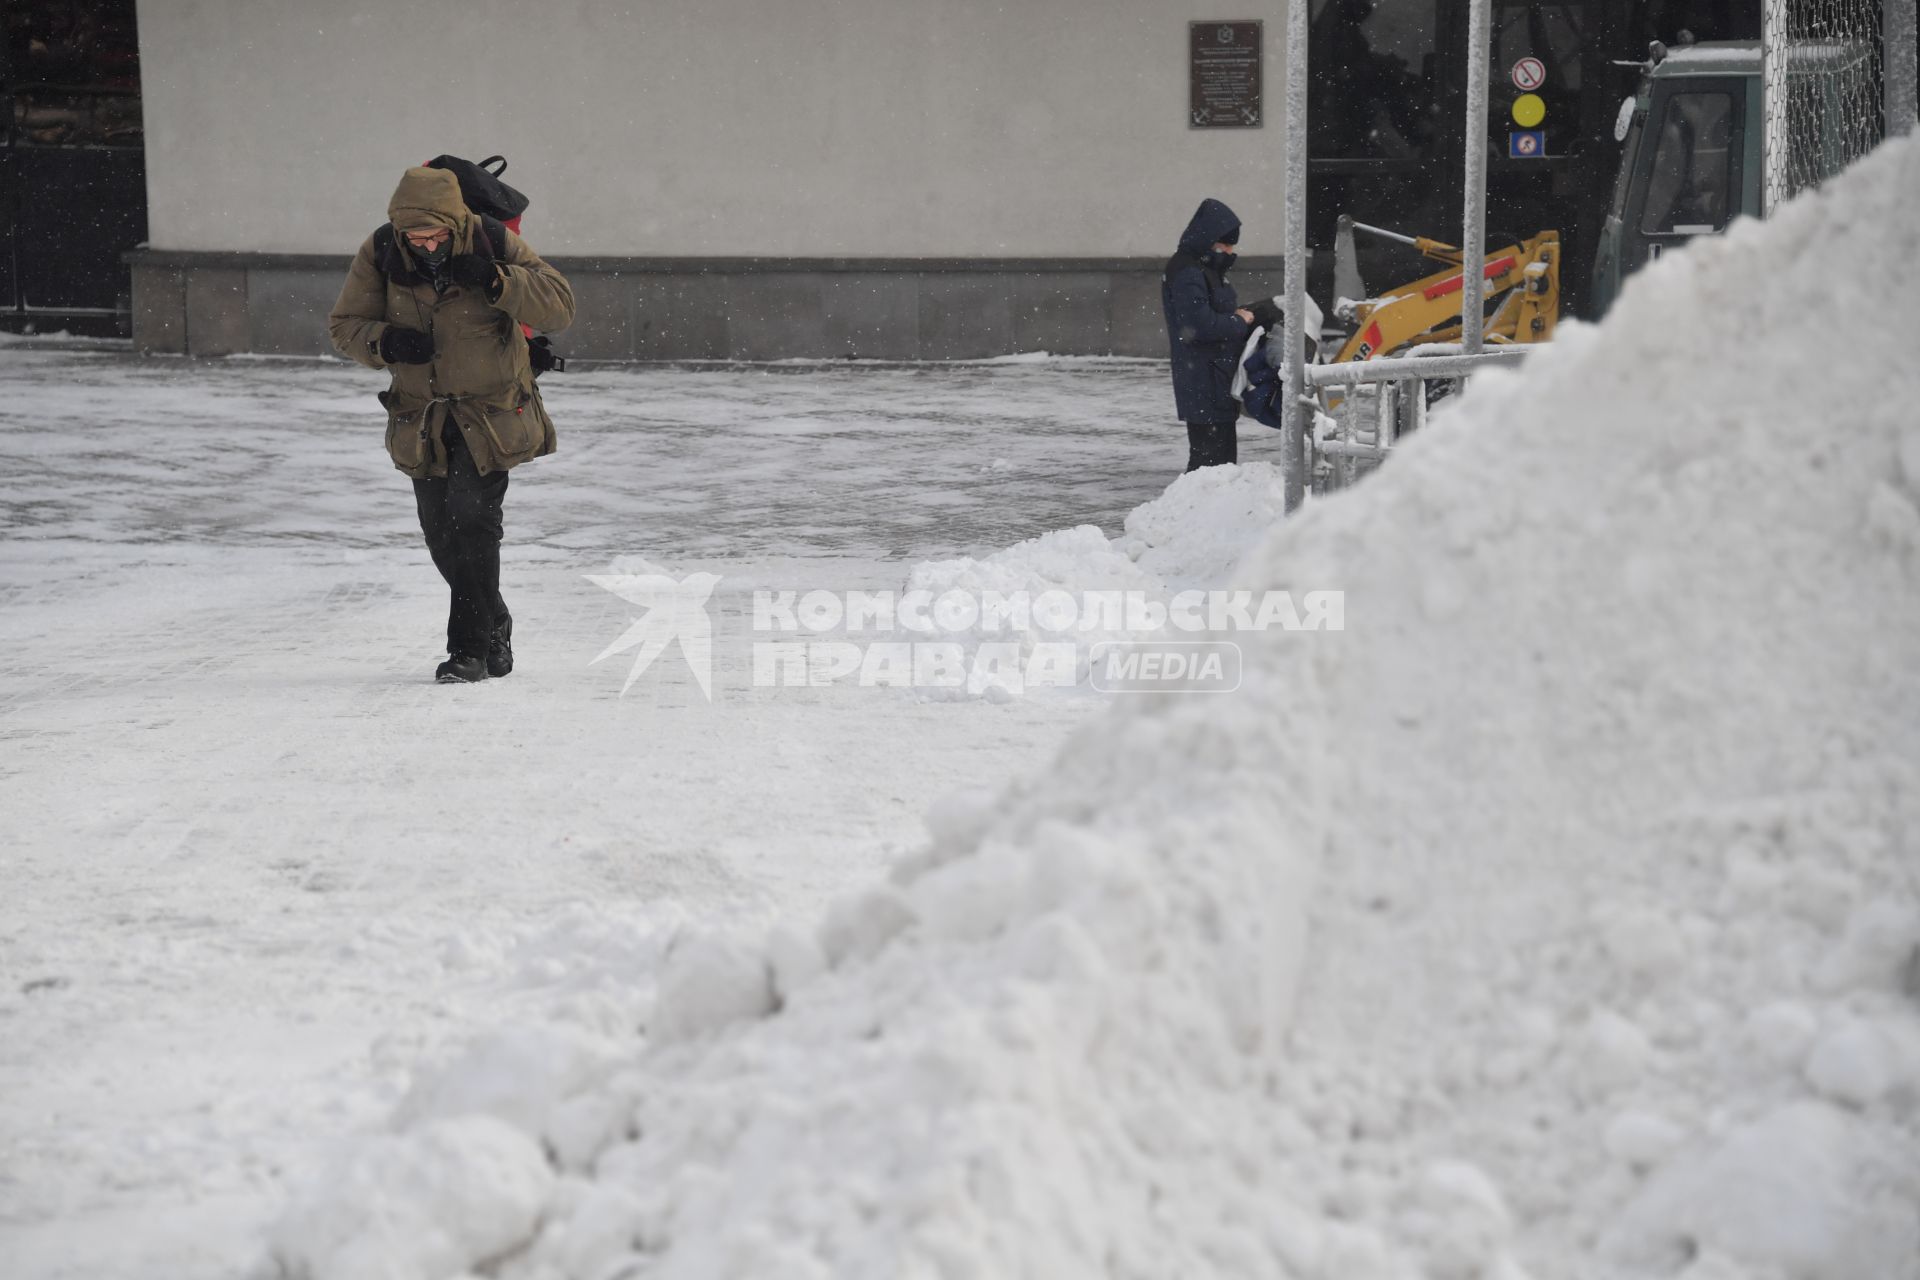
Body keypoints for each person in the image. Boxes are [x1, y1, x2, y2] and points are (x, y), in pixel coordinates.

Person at [328, 166, 575, 683]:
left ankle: (468, 653)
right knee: (441, 535)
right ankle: (494, 623)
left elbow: (558, 306)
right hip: (422, 418)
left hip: (492, 414)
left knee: (473, 522)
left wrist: (495, 279)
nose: (427, 246)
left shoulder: (493, 242)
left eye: (437, 235)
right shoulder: (380, 252)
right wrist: (386, 343)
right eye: (416, 237)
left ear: (455, 224)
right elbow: (345, 326)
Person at [1161, 197, 1280, 472]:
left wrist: (1241, 316)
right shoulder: (1189, 272)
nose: (1229, 251)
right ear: (1209, 239)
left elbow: (1209, 316)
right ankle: (1193, 512)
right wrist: (1238, 320)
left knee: (1218, 460)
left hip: (1213, 375)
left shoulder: (1203, 269)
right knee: (1209, 463)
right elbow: (1199, 327)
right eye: (1225, 244)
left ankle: (1206, 509)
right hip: (1205, 377)